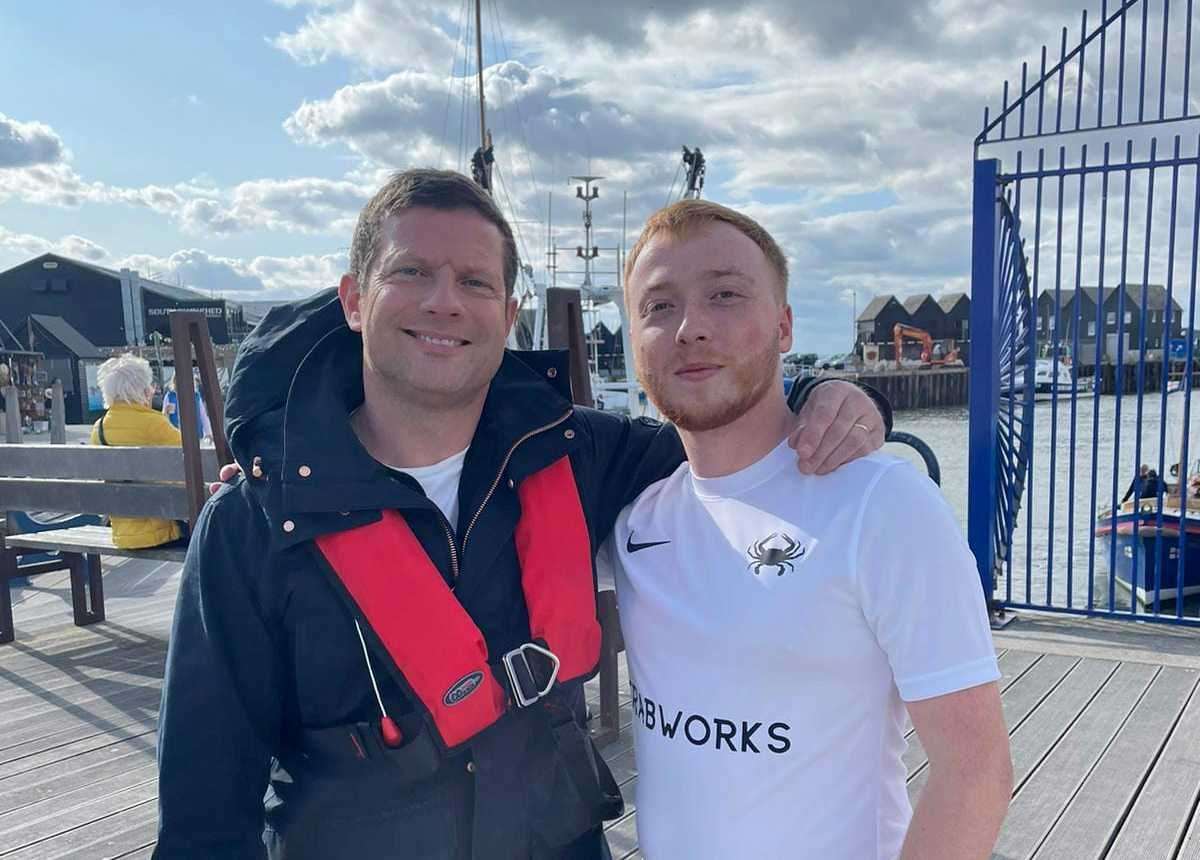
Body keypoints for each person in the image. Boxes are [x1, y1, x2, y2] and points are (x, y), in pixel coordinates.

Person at [155, 169, 890, 860]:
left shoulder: (576, 454)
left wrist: (836, 398)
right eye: (411, 272)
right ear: (352, 299)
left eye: (475, 281)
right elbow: (203, 813)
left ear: (508, 315)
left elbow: (729, 430)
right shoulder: (254, 524)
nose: (445, 301)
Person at [601, 199, 1012, 859]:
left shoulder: (883, 504)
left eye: (726, 295)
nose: (691, 328)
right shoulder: (633, 518)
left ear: (785, 325)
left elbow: (975, 772)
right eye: (658, 306)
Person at [90, 354, 184, 549]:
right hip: (161, 532)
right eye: (150, 386)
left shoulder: (99, 429)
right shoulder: (154, 424)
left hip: (122, 534)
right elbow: (192, 463)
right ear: (142, 391)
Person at [161, 374, 212, 441]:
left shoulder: (196, 396)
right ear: (174, 382)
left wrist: (209, 433)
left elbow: (203, 416)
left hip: (196, 435)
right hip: (175, 436)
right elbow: (163, 416)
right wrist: (166, 411)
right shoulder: (169, 396)